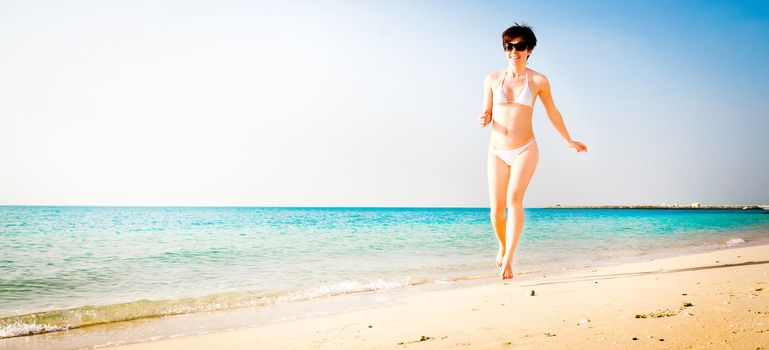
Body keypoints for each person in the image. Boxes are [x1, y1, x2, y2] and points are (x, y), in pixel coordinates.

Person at [477, 23, 587, 280]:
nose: (514, 51)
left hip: (525, 149)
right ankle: (502, 246)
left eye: (520, 46)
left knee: (514, 200)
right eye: (509, 46)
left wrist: (568, 140)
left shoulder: (538, 81)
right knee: (495, 209)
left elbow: (553, 112)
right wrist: (484, 118)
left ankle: (509, 259)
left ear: (530, 50)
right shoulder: (492, 79)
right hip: (496, 150)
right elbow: (488, 112)